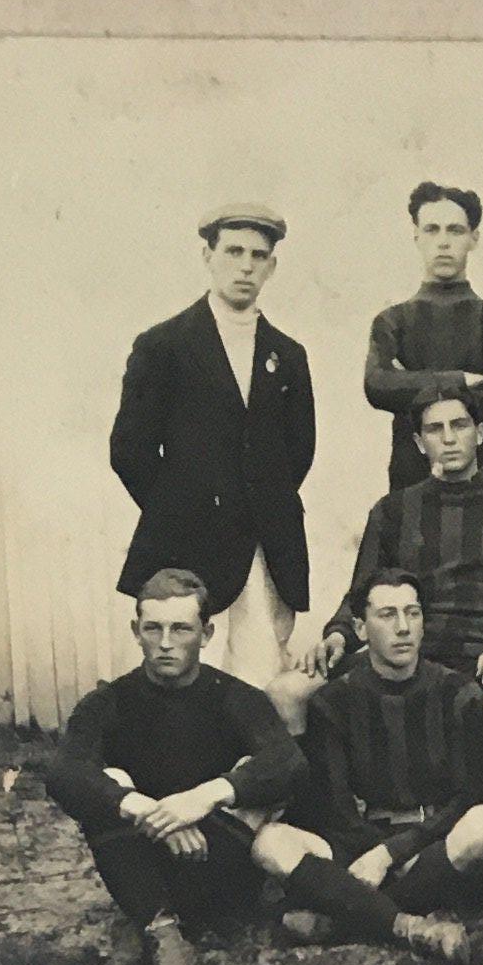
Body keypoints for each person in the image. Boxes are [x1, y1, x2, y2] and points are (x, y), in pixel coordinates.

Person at [46, 578, 451, 965]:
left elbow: (287, 764)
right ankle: (167, 941)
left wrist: (204, 798)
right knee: (109, 786)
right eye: (153, 629)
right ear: (136, 632)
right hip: (145, 846)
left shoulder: (233, 697)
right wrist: (146, 810)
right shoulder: (110, 701)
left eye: (181, 629)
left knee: (248, 795)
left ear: (206, 634)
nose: (166, 643)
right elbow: (63, 771)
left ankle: (138, 929)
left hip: (215, 863)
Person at [107, 202, 315, 690]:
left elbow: (298, 452)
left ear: (272, 266)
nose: (245, 265)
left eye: (258, 255)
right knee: (180, 672)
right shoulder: (163, 346)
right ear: (208, 255)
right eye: (234, 251)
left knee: (259, 674)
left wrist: (258, 504)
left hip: (265, 548)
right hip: (187, 544)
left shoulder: (287, 355)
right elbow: (130, 451)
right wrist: (183, 510)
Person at [295, 568, 483, 934]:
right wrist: (376, 852)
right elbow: (338, 809)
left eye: (412, 613)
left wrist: (392, 855)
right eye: (387, 615)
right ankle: (406, 914)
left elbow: (470, 797)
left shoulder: (458, 693)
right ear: (361, 629)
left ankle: (348, 919)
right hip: (364, 841)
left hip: (433, 842)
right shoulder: (333, 702)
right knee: (270, 843)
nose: (403, 627)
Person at [324, 395, 483, 779]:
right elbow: (359, 596)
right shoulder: (391, 511)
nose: (448, 438)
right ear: (418, 442)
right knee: (295, 690)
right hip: (410, 657)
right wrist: (337, 635)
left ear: (479, 433)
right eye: (435, 429)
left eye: (459, 425)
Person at [365, 178, 483, 488]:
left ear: (474, 238)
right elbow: (377, 385)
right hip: (412, 481)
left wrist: (413, 384)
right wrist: (460, 380)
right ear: (416, 236)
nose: (443, 242)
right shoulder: (391, 321)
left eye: (455, 230)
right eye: (431, 230)